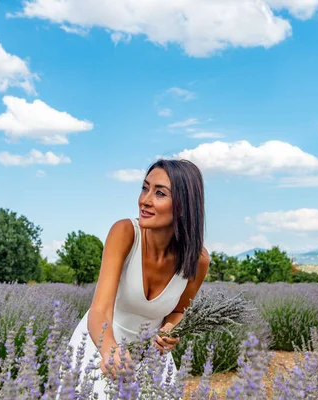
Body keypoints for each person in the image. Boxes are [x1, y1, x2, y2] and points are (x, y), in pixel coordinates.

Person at [64, 159, 210, 399]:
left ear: (184, 206)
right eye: (145, 188)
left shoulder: (198, 260)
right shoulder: (124, 233)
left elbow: (179, 311)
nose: (145, 200)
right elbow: (99, 310)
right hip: (100, 346)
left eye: (160, 193)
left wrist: (171, 329)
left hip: (151, 358)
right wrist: (110, 351)